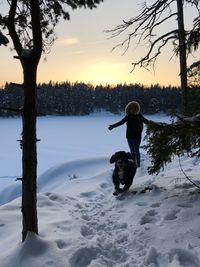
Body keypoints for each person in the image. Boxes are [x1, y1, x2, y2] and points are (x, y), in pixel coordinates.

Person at [108, 101, 149, 167]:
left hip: (137, 137)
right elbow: (121, 122)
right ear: (128, 108)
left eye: (133, 108)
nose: (132, 109)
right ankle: (133, 162)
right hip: (129, 136)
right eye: (130, 108)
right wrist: (113, 126)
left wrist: (157, 126)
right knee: (132, 151)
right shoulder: (128, 116)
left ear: (136, 108)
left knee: (136, 151)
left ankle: (138, 165)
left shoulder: (139, 116)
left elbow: (147, 122)